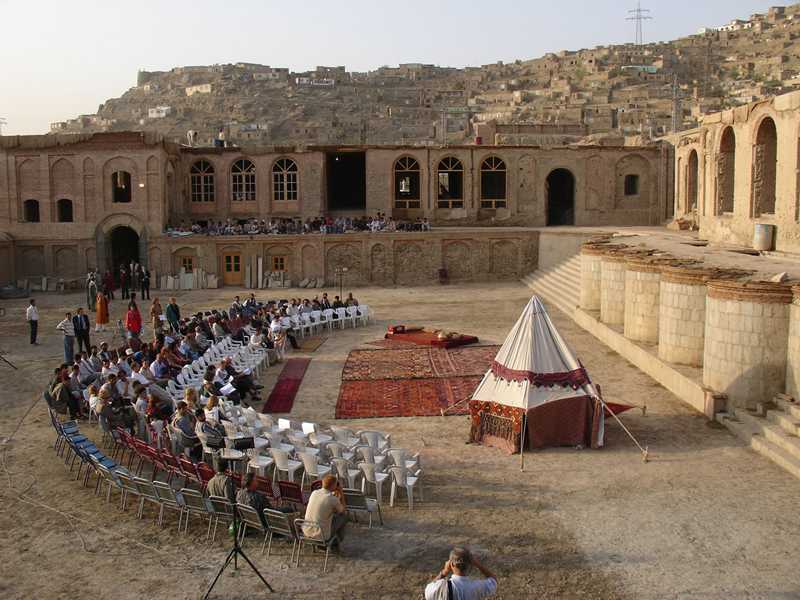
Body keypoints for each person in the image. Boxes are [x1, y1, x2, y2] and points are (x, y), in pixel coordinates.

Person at [424, 548, 498, 600]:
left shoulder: (440, 586)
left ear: (451, 564)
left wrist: (444, 571)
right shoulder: (476, 586)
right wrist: (477, 564)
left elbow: (428, 591)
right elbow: (493, 580)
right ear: (470, 565)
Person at [302, 474, 347, 547]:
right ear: (333, 485)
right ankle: (337, 542)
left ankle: (335, 541)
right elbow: (343, 510)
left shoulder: (314, 493)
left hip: (306, 531)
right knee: (343, 517)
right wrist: (341, 492)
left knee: (330, 516)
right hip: (321, 535)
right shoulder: (332, 499)